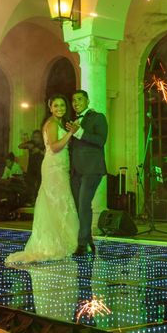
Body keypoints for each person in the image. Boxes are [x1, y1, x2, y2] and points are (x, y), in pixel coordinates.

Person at [6, 94, 79, 264]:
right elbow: (54, 147)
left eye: (62, 105)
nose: (60, 108)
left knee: (61, 202)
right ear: (50, 107)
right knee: (56, 201)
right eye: (56, 105)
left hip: (60, 166)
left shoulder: (60, 122)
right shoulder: (52, 123)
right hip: (53, 167)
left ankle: (64, 239)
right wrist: (70, 133)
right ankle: (53, 242)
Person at [66, 89, 108, 256]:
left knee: (84, 205)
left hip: (92, 169)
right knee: (79, 206)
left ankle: (82, 245)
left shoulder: (98, 117)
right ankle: (88, 239)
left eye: (80, 99)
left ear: (88, 100)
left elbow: (100, 140)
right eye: (74, 100)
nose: (76, 103)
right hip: (76, 171)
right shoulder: (73, 120)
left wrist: (79, 132)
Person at [18, 130, 44, 200]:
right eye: (33, 137)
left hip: (40, 170)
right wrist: (28, 144)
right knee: (30, 188)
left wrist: (39, 151)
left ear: (40, 138)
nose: (34, 138)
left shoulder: (43, 144)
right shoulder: (31, 143)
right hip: (31, 170)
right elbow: (20, 146)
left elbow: (47, 153)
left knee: (39, 188)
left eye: (36, 137)